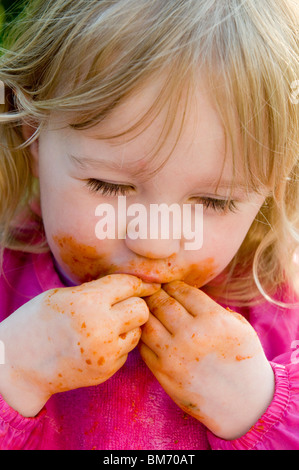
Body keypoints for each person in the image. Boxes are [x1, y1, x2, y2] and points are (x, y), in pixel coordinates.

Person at [0, 0, 298, 450]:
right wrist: (13, 370)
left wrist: (256, 409)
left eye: (213, 200)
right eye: (107, 185)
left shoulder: (277, 312)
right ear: (32, 134)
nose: (154, 241)